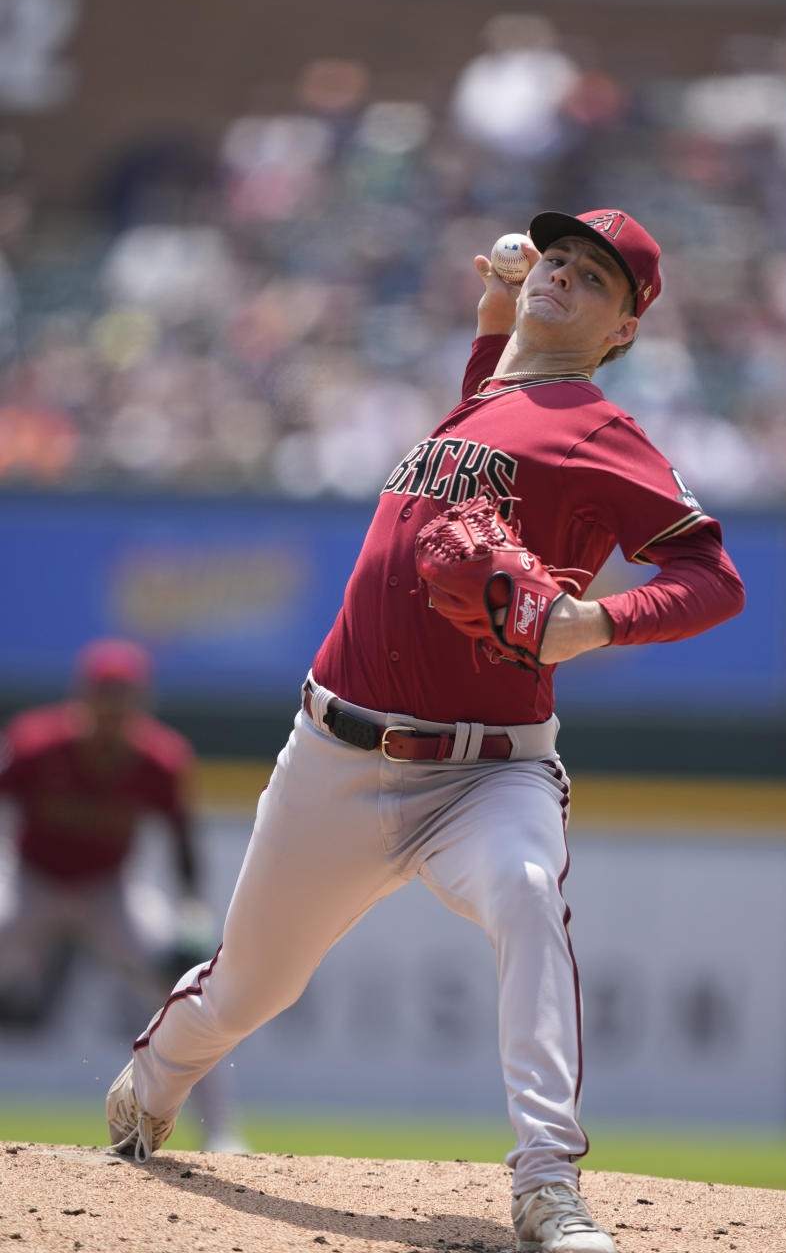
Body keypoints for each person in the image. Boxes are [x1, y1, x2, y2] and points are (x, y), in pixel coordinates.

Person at [105, 209, 745, 1252]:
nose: (566, 281)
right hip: (336, 759)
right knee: (245, 993)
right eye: (561, 262)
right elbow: (496, 394)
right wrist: (499, 308)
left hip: (489, 777)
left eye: (596, 281)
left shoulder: (600, 428)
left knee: (529, 895)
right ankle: (150, 1086)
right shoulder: (487, 397)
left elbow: (713, 579)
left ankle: (547, 1183)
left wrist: (595, 620)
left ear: (624, 332)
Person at [0, 638, 243, 1152]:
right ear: (82, 696)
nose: (113, 706)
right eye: (104, 693)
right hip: (33, 882)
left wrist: (192, 908)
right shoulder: (35, 743)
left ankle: (221, 1133)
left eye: (123, 695)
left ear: (140, 701)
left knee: (189, 992)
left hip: (108, 890)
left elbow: (181, 843)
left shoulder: (159, 759)